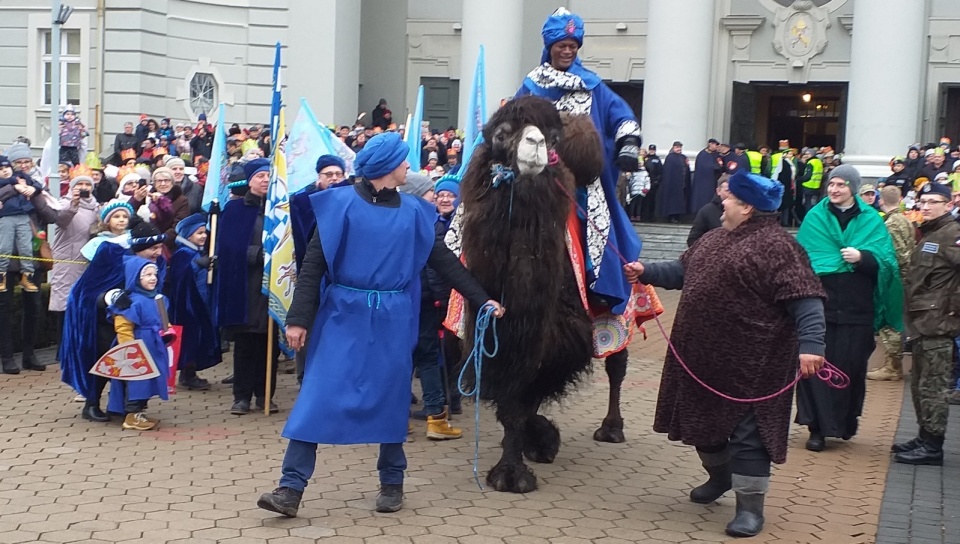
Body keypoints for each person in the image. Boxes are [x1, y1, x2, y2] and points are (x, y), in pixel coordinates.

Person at [256, 133, 502, 518]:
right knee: (318, 395)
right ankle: (290, 488)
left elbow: (444, 261)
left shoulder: (415, 212)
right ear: (388, 167)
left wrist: (481, 297)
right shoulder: (338, 205)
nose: (410, 168)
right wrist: (299, 319)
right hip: (341, 314)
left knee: (391, 397)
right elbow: (313, 266)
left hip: (392, 316)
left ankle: (392, 482)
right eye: (405, 162)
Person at [623, 169, 826, 538]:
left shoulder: (780, 247)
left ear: (748, 206)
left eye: (728, 197)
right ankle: (720, 478)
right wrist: (646, 270)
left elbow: (807, 300)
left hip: (755, 366)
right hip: (701, 361)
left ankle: (751, 510)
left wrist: (812, 346)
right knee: (703, 427)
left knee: (750, 437)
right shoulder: (714, 238)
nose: (721, 201)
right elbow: (683, 271)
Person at [795, 165, 902, 452]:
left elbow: (887, 262)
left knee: (850, 368)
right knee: (815, 367)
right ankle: (815, 428)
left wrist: (863, 257)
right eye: (832, 184)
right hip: (821, 308)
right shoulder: (816, 217)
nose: (834, 189)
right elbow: (802, 258)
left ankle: (843, 422)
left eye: (841, 184)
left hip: (857, 309)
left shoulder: (871, 220)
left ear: (853, 188)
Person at [889, 182, 960, 465]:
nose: (926, 207)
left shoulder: (952, 234)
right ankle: (924, 435)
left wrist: (954, 308)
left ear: (948, 204)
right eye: (923, 202)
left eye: (933, 202)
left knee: (933, 386)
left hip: (938, 324)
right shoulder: (931, 233)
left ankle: (933, 446)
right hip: (922, 321)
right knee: (919, 385)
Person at [214, 158, 279, 415]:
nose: (264, 180)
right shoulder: (235, 209)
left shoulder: (280, 209)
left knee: (269, 345)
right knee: (245, 345)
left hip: (272, 288)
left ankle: (265, 395)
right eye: (259, 176)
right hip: (245, 285)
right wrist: (257, 255)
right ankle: (241, 396)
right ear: (250, 180)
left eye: (268, 176)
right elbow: (228, 247)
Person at [107, 257, 172, 431]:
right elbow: (123, 326)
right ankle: (131, 414)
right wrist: (130, 350)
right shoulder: (132, 302)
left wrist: (168, 332)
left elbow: (164, 322)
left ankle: (140, 411)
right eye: (147, 275)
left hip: (154, 346)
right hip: (138, 347)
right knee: (137, 381)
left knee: (151, 379)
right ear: (136, 277)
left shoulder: (159, 299)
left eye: (154, 274)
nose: (153, 278)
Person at [167, 213, 220, 391]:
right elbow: (181, 276)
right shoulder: (183, 253)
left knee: (197, 338)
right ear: (188, 235)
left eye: (204, 232)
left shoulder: (195, 252)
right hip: (189, 304)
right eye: (199, 233)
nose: (203, 236)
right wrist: (198, 264)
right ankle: (188, 373)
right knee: (190, 339)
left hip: (200, 300)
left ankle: (190, 372)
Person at [869, 186, 916, 382]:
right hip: (906, 276)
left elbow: (895, 255)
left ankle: (893, 366)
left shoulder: (891, 225)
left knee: (890, 319)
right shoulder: (906, 221)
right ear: (900, 199)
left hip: (894, 278)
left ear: (881, 201)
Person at [0, 156, 45, 293]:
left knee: (26, 247)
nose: (5, 171)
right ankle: (1, 277)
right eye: (0, 169)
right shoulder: (13, 180)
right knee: (4, 247)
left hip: (23, 216)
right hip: (6, 217)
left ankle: (27, 277)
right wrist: (15, 184)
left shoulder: (21, 176)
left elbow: (38, 184)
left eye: (6, 167)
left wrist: (33, 189)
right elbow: (9, 182)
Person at [687, 175, 730, 247]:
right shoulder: (706, 211)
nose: (730, 194)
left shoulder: (742, 211)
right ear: (718, 191)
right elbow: (693, 239)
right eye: (727, 191)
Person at [658, 141, 690, 222]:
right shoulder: (670, 157)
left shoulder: (683, 157)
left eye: (680, 147)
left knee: (680, 201)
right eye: (677, 147)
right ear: (673, 147)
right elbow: (668, 171)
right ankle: (671, 216)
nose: (679, 149)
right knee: (672, 202)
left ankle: (678, 216)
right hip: (672, 184)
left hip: (681, 183)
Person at [690, 139, 723, 213]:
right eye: (715, 144)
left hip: (713, 180)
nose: (716, 146)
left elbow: (719, 163)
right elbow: (705, 166)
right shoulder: (703, 154)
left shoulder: (716, 154)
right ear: (710, 144)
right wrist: (715, 167)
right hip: (703, 181)